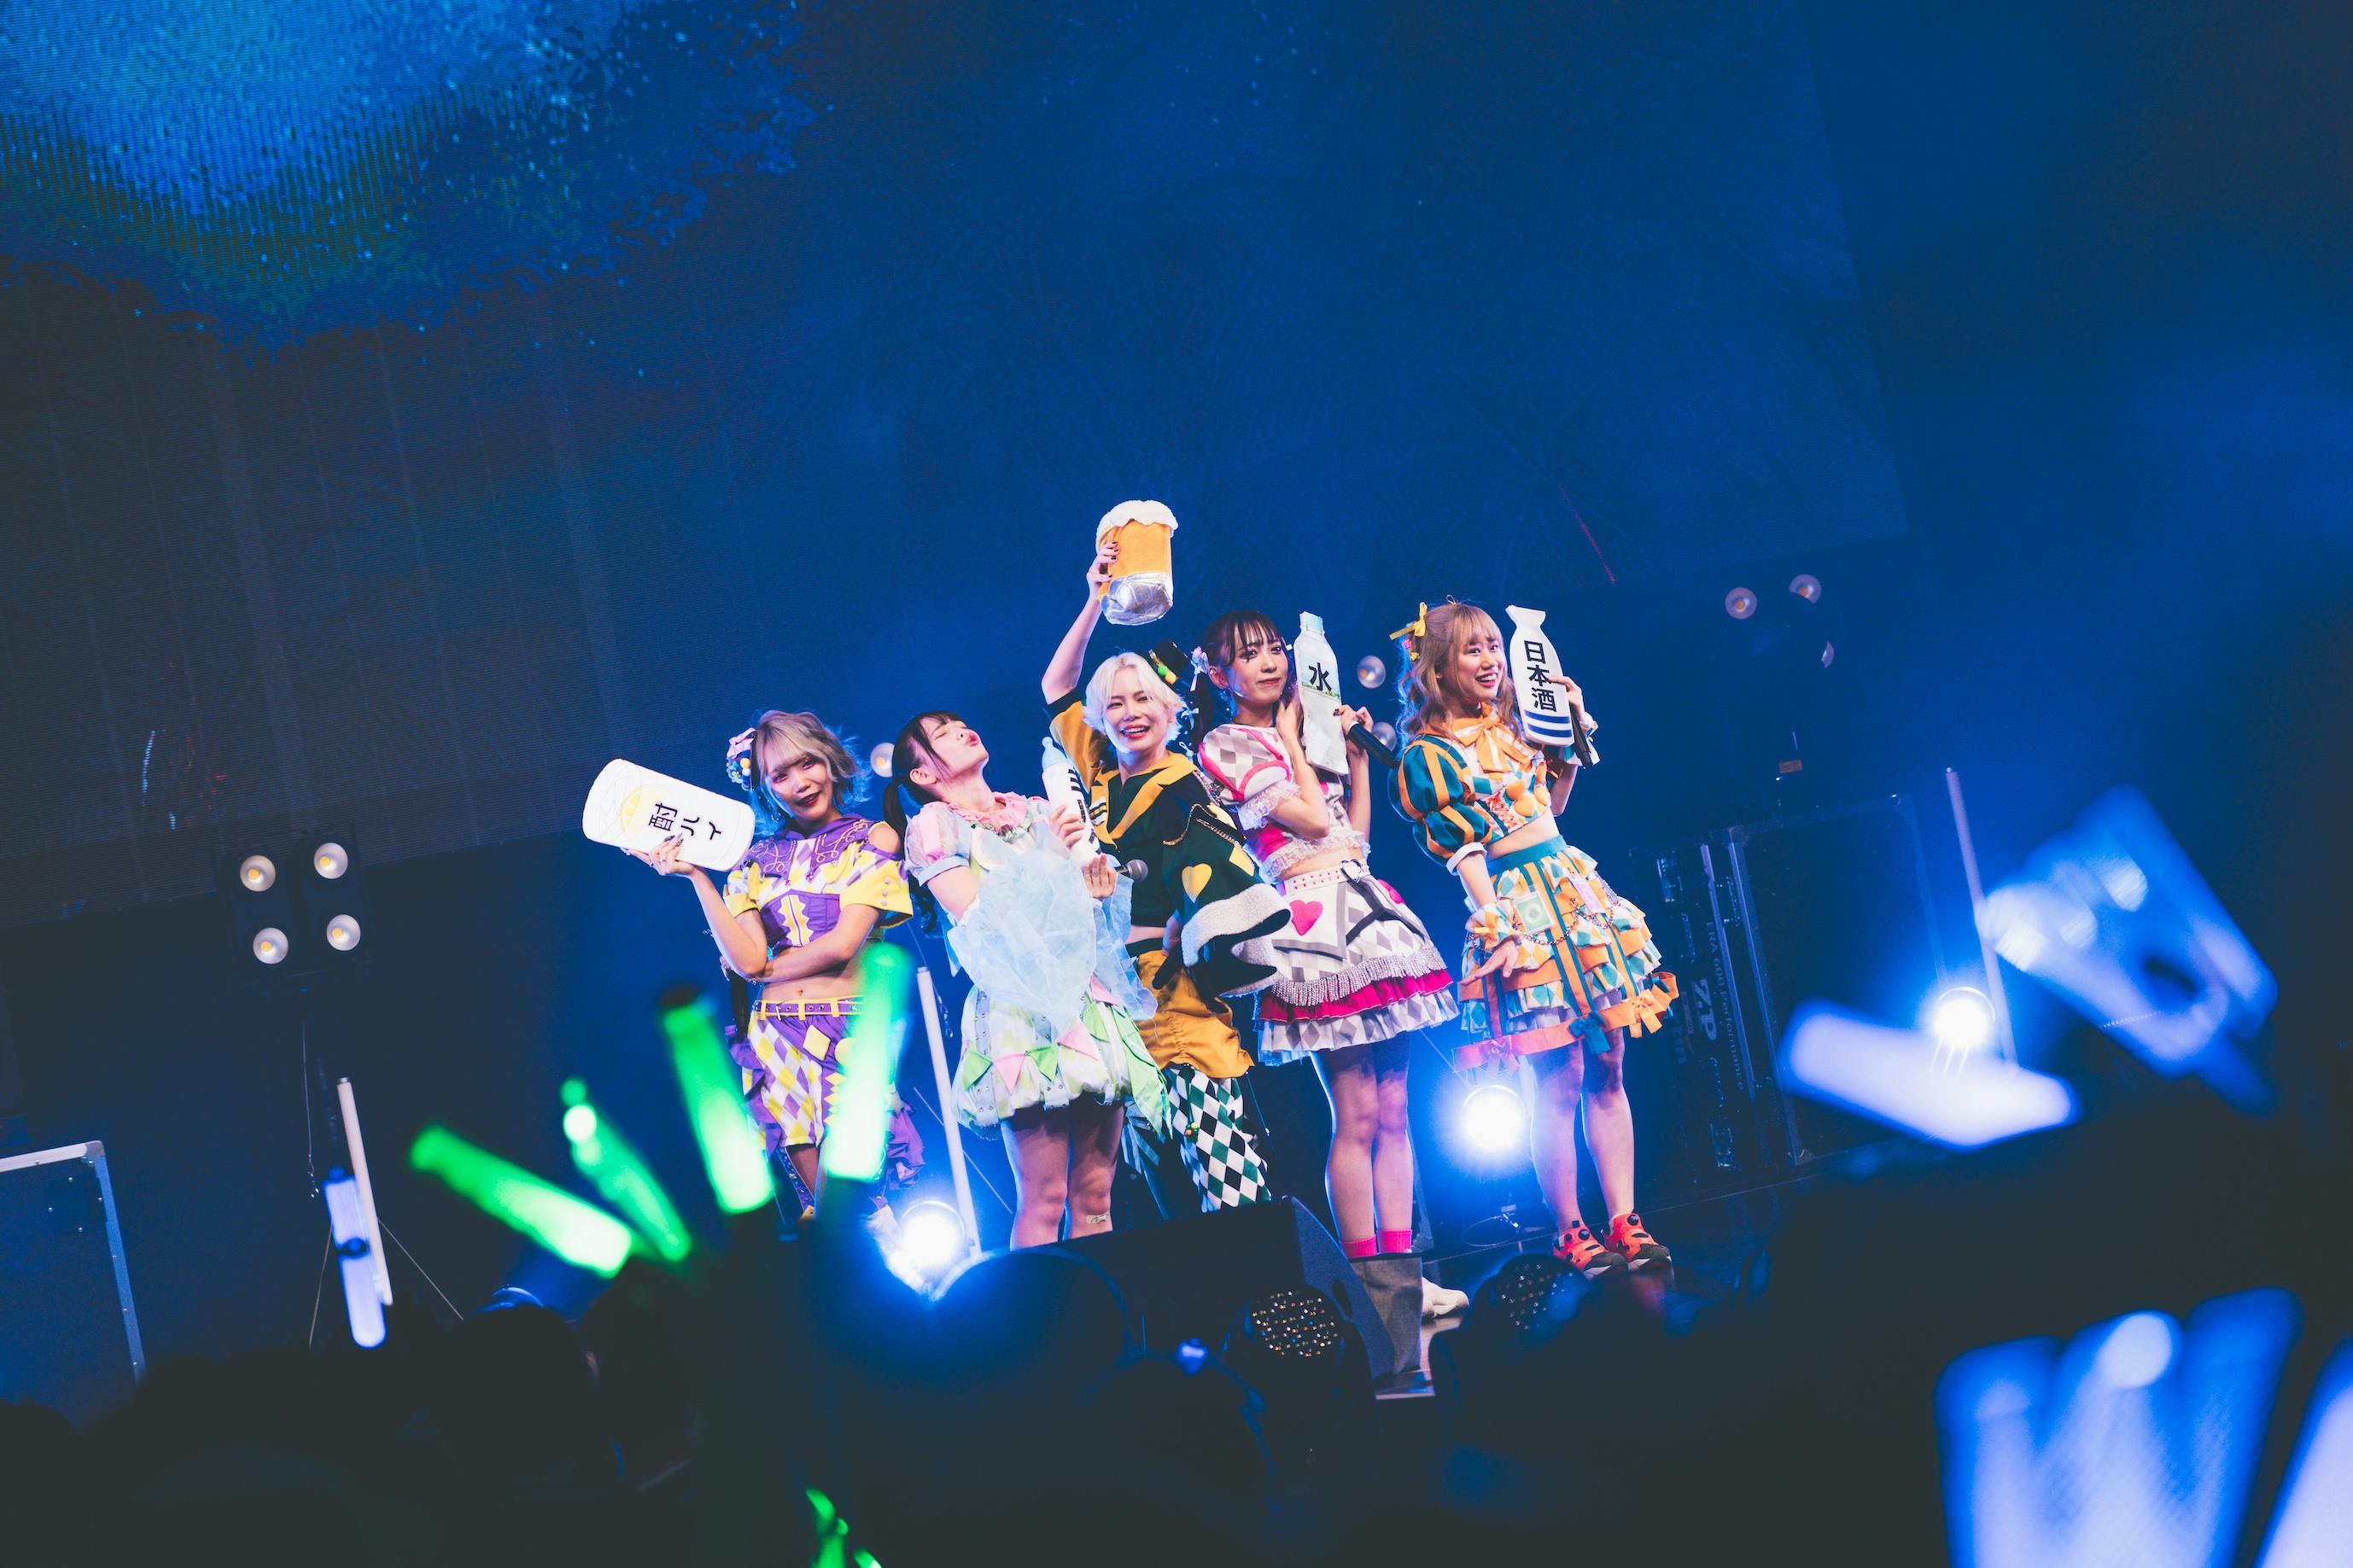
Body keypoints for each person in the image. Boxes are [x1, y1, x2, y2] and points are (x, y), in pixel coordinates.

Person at [1388, 602, 1678, 1275]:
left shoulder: (1515, 726)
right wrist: (1497, 922)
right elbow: (1463, 850)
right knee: (1559, 1073)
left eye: (1495, 646)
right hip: (1517, 905)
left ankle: (1627, 1220)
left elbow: (1555, 805)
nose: (1491, 660)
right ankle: (1570, 1230)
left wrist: (1567, 733)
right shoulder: (1430, 754)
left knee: (1609, 1059)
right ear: (1439, 667)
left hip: (1572, 893)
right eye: (1473, 649)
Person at [1191, 611, 1457, 1264]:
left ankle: (1407, 1273)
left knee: (1394, 1107)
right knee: (1356, 1110)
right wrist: (1289, 736)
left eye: (1275, 648)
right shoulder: (1226, 745)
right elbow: (1310, 823)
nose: (1270, 661)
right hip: (1309, 918)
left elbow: (1351, 837)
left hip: (1365, 902)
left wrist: (1357, 761)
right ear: (1220, 675)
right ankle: (1369, 1276)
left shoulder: (1311, 727)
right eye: (1250, 654)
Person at [1042, 543, 1290, 1212]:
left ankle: (1259, 1271)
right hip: (1112, 995)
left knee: (1221, 1163)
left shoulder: (1179, 781)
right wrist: (1094, 600)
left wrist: (1183, 922)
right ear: (1100, 717)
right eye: (1116, 702)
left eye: (1144, 698)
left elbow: (1210, 871)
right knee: (1159, 1170)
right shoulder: (1100, 769)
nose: (1130, 711)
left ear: (1171, 707)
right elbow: (1056, 687)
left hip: (1166, 991)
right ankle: (1203, 1279)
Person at [885, 710, 1171, 1246]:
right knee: (1045, 1197)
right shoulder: (934, 827)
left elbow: (1091, 918)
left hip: (1085, 999)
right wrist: (1056, 867)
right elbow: (979, 918)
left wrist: (1094, 879)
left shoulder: (1041, 811)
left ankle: (1102, 1299)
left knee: (1096, 1195)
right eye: (943, 734)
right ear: (922, 774)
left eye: (961, 723)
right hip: (1020, 1006)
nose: (963, 730)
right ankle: (1041, 1301)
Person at [632, 710, 913, 1215]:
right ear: (765, 789)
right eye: (780, 775)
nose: (800, 782)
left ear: (830, 762)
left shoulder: (874, 839)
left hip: (848, 1031)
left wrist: (764, 971)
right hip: (775, 1039)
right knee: (824, 1210)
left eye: (807, 764)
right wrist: (697, 877)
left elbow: (842, 944)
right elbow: (745, 958)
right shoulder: (752, 862)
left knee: (859, 1202)